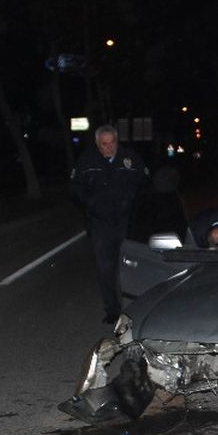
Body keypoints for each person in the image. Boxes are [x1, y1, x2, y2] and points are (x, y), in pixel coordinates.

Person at [71, 125, 147, 324]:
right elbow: (76, 188)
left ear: (116, 141)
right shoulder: (87, 161)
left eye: (112, 142)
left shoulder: (130, 159)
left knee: (130, 265)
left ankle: (134, 308)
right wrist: (91, 203)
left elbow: (144, 184)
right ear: (98, 144)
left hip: (127, 222)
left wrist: (131, 202)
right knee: (105, 267)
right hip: (100, 223)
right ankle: (112, 310)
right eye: (104, 144)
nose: (109, 148)